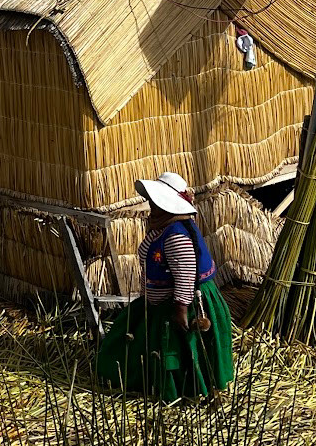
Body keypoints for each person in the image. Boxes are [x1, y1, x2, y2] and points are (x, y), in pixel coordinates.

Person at [96, 172, 234, 402]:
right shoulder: (166, 227)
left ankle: (185, 391)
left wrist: (180, 309)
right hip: (160, 302)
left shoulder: (176, 236)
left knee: (177, 349)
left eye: (155, 202)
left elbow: (186, 274)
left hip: (182, 303)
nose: (151, 206)